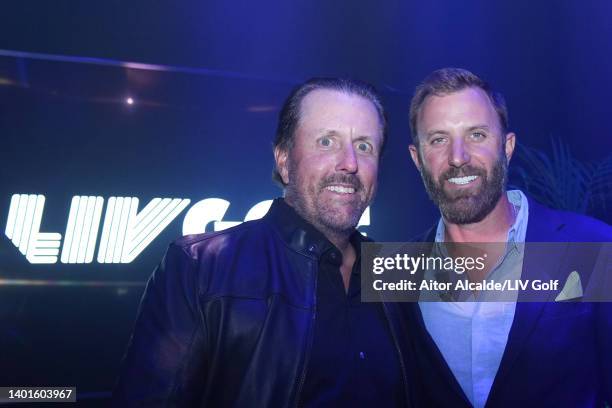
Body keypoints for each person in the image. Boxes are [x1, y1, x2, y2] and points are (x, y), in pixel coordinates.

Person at [112, 78, 412, 407]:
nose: (350, 163)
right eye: (327, 141)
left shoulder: (396, 271)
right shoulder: (201, 268)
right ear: (283, 160)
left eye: (365, 146)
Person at [404, 68, 612, 407]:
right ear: (417, 158)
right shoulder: (399, 269)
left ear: (507, 146)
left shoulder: (593, 248)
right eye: (439, 139)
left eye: (476, 135)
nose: (458, 157)